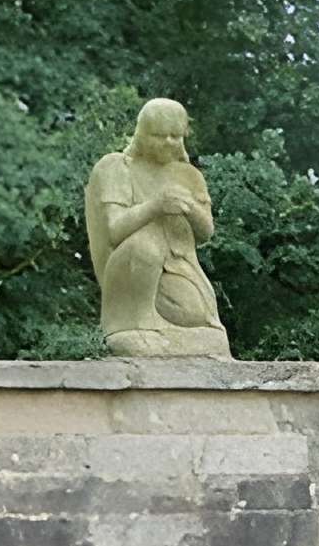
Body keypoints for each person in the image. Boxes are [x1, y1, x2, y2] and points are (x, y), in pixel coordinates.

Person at [84, 99, 228, 358]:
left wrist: (189, 208)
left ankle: (171, 333)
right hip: (130, 270)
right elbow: (115, 231)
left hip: (179, 268)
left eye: (175, 136)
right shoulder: (116, 167)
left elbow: (206, 233)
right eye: (160, 136)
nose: (169, 143)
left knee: (208, 330)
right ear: (142, 134)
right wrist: (156, 205)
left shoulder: (188, 175)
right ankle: (140, 322)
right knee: (145, 242)